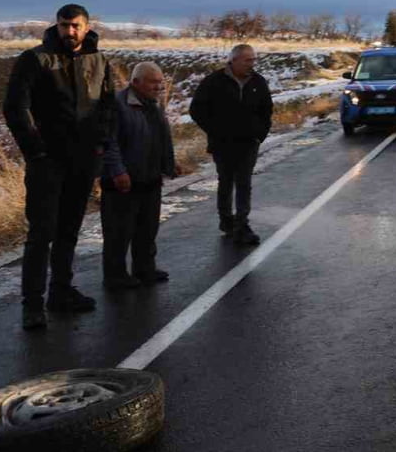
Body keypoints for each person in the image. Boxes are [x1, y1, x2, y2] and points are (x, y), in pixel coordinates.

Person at [3, 4, 115, 331]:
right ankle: (33, 305)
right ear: (57, 26)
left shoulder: (99, 61)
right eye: (64, 26)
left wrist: (100, 146)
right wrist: (35, 151)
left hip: (82, 161)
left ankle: (62, 292)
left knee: (69, 229)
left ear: (87, 26)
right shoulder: (35, 59)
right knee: (41, 233)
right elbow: (15, 108)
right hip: (47, 162)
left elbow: (107, 106)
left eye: (75, 26)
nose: (70, 32)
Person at [100, 61, 176, 290]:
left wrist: (170, 163)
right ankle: (115, 276)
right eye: (153, 82)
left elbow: (159, 136)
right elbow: (108, 142)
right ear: (136, 82)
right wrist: (118, 171)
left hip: (150, 178)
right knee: (119, 232)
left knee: (147, 228)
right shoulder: (117, 105)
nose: (158, 87)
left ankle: (145, 268)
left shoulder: (153, 104)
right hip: (123, 181)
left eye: (160, 82)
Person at [190, 44, 272, 246]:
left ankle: (242, 224)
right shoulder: (214, 81)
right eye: (247, 60)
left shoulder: (258, 82)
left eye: (253, 60)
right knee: (225, 181)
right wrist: (215, 130)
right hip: (222, 143)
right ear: (233, 60)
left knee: (244, 182)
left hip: (248, 143)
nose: (252, 64)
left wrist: (259, 134)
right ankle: (226, 221)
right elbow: (197, 109)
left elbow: (266, 110)